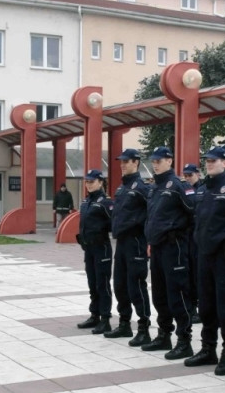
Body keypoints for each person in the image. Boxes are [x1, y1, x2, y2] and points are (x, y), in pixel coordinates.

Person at [186, 146, 225, 376]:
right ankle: (208, 348)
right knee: (207, 305)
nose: (209, 163)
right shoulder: (201, 190)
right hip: (204, 256)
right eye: (207, 160)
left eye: (214, 160)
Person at [143, 146, 196, 358]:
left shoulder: (178, 185)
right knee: (159, 294)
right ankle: (164, 334)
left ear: (169, 161)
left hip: (174, 247)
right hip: (157, 247)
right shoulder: (154, 185)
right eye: (153, 160)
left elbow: (194, 212)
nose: (155, 163)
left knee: (178, 294)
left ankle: (185, 340)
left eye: (159, 160)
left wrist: (179, 232)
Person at [104, 148, 152, 338]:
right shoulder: (121, 187)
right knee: (120, 285)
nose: (122, 165)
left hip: (136, 242)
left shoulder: (142, 187)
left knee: (136, 285)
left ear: (136, 162)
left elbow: (151, 213)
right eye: (121, 161)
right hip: (122, 243)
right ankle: (125, 323)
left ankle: (144, 328)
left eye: (126, 161)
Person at [76, 170, 114, 333]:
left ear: (100, 182)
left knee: (102, 283)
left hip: (101, 248)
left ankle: (105, 319)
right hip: (89, 248)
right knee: (92, 283)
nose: (88, 184)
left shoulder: (105, 202)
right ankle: (94, 315)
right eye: (87, 182)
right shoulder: (86, 201)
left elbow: (114, 223)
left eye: (92, 182)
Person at [182, 163, 204, 324]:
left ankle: (200, 307)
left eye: (190, 175)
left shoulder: (203, 189)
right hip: (187, 237)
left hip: (199, 238)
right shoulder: (183, 189)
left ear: (198, 174)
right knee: (188, 273)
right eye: (186, 175)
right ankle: (191, 307)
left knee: (198, 274)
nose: (188, 178)